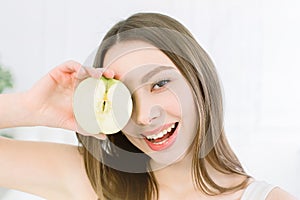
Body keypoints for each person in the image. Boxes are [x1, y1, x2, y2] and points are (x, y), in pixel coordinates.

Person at [0, 13, 297, 200]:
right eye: (124, 97)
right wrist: (29, 107)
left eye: (159, 83)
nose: (143, 115)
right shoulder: (92, 181)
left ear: (198, 80)